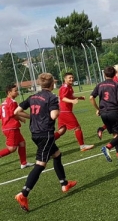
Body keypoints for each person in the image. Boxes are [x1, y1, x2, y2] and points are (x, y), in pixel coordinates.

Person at [14, 73, 77, 212]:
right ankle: (23, 194)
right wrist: (57, 110)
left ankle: (64, 184)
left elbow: (16, 111)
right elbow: (53, 115)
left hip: (35, 133)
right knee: (40, 164)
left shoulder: (33, 97)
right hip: (45, 134)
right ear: (52, 84)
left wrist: (32, 116)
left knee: (57, 154)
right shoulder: (52, 97)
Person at [90, 66, 118, 164]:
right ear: (114, 74)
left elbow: (91, 97)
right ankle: (107, 147)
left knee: (115, 134)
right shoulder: (116, 84)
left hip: (103, 113)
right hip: (114, 111)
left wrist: (98, 109)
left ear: (104, 74)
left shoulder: (100, 85)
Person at [55, 72, 94, 151]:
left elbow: (70, 96)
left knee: (62, 131)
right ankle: (82, 146)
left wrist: (79, 98)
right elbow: (63, 98)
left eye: (72, 77)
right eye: (69, 78)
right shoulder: (65, 87)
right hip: (65, 111)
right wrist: (72, 101)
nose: (71, 79)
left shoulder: (69, 87)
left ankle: (47, 142)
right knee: (77, 127)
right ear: (65, 79)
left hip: (62, 112)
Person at [0, 84, 33, 169]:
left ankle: (24, 163)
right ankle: (23, 162)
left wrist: (19, 119)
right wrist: (30, 117)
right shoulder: (12, 102)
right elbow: (16, 113)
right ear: (9, 92)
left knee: (22, 143)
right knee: (12, 149)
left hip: (8, 127)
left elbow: (4, 115)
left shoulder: (4, 103)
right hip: (11, 128)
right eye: (15, 91)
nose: (17, 92)